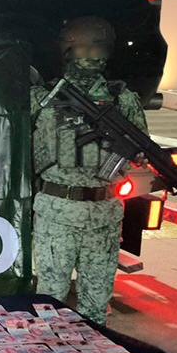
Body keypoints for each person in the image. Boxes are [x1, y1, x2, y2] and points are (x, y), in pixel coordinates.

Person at [30, 16, 148, 325]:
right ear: (68, 52)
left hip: (104, 214)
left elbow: (140, 147)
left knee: (96, 306)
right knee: (49, 304)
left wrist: (136, 153)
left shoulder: (122, 99)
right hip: (57, 212)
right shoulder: (43, 98)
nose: (92, 57)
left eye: (99, 50)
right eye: (83, 49)